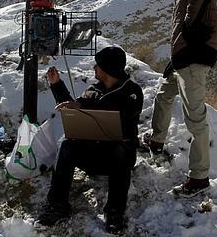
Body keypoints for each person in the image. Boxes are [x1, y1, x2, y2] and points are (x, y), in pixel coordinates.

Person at [143, 0, 217, 197]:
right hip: (185, 58)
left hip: (195, 58)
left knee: (195, 119)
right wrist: (175, 57)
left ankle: (199, 178)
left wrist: (189, 25)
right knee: (164, 95)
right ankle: (156, 140)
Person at [38, 46, 144, 233]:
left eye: (98, 65)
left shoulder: (132, 91)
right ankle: (57, 205)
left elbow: (122, 115)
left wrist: (84, 104)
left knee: (120, 149)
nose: (95, 68)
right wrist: (57, 85)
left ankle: (114, 213)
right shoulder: (93, 90)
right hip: (93, 154)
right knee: (67, 146)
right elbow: (75, 107)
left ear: (108, 68)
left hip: (117, 160)